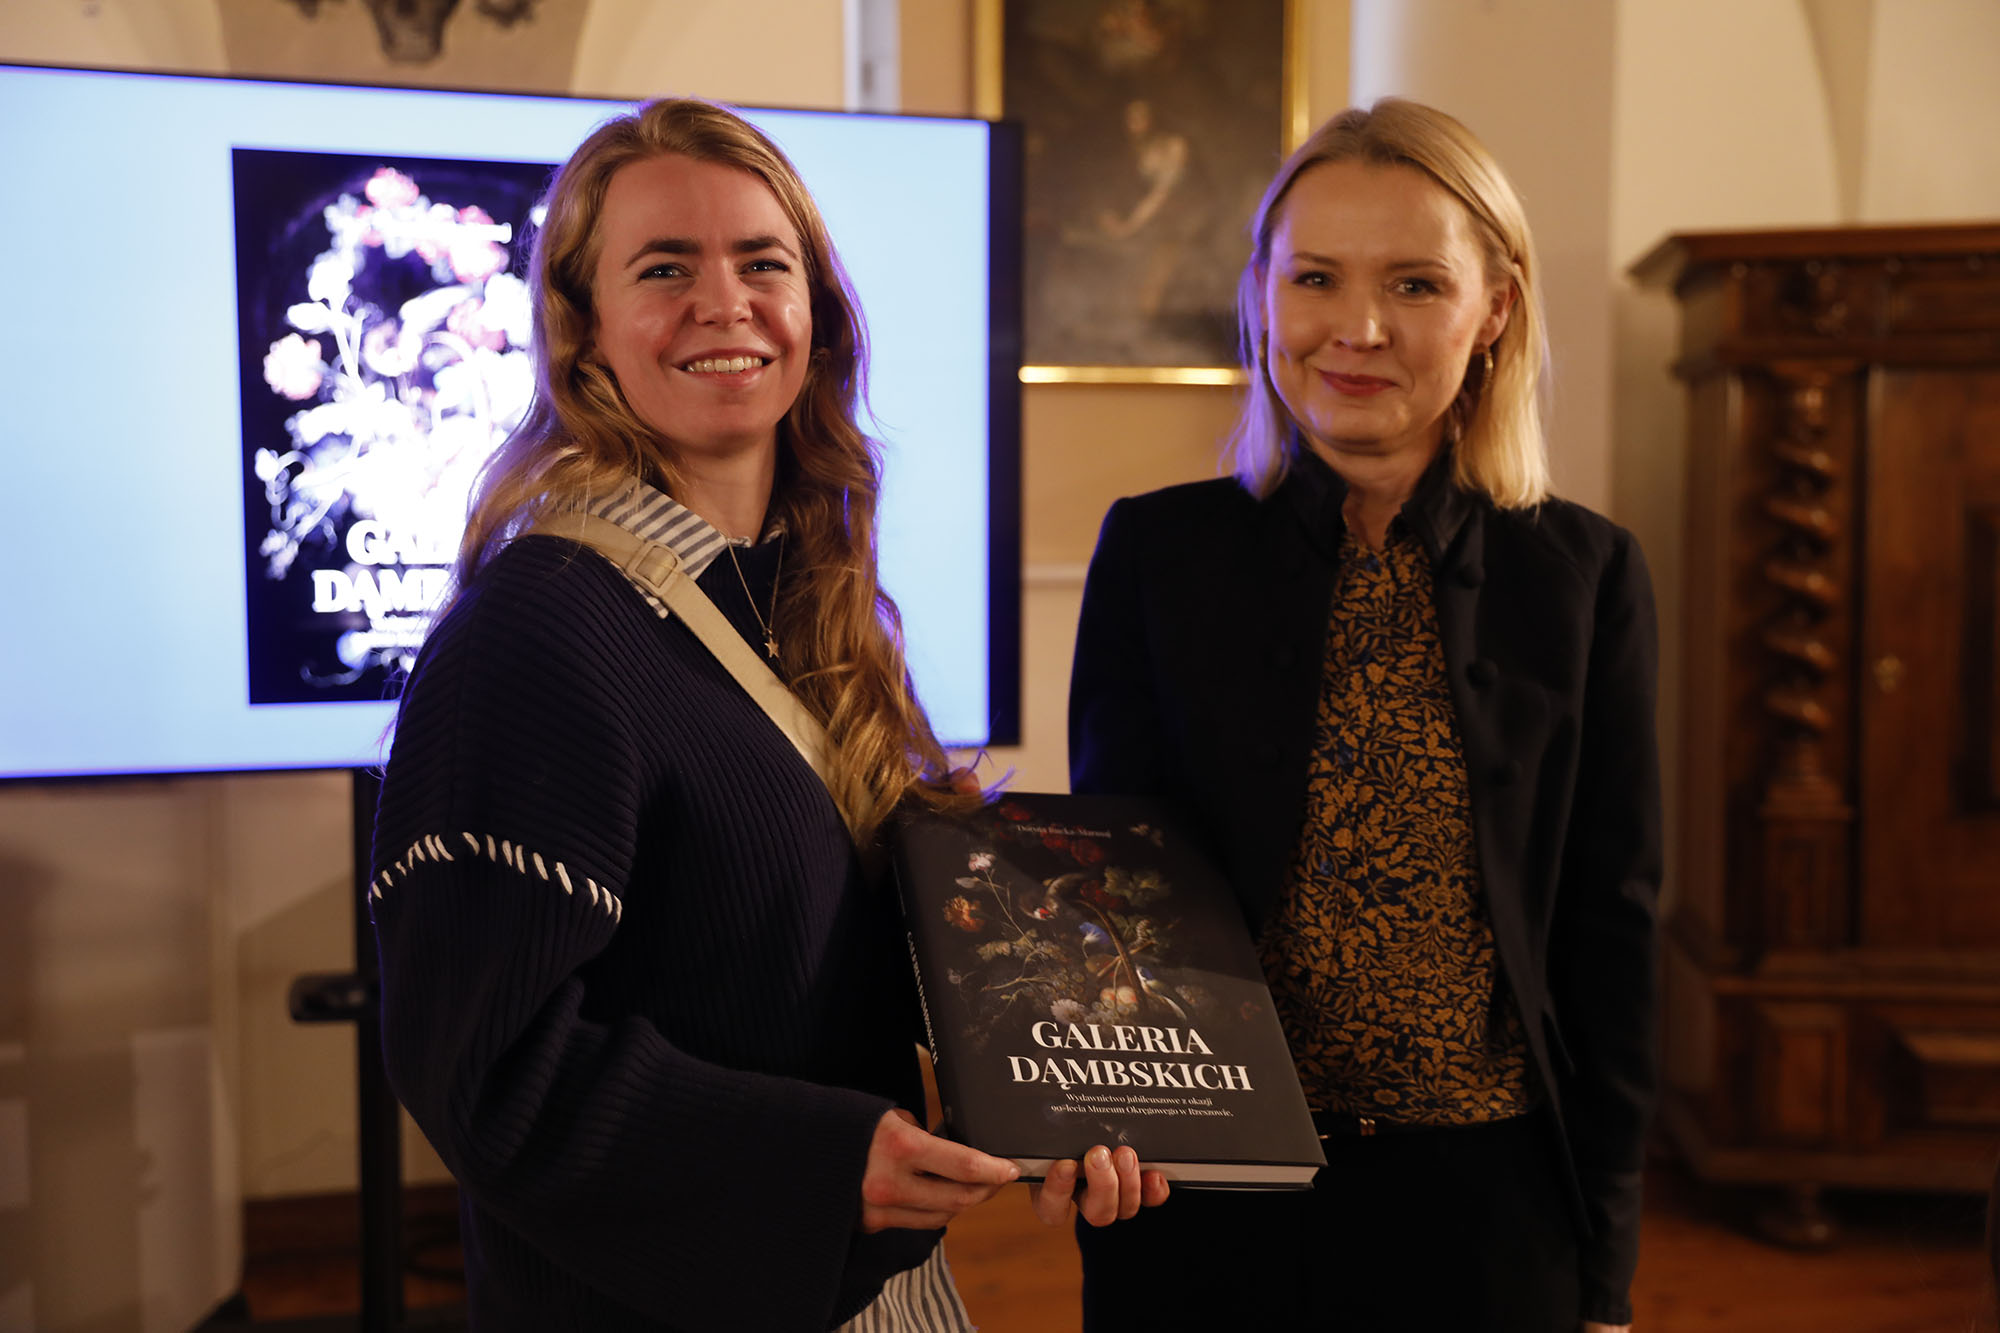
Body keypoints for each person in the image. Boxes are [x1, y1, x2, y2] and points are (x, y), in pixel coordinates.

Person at [366, 97, 1020, 1331]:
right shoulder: (534, 634)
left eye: (761, 263)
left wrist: (1070, 1097)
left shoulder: (804, 596)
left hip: (869, 1288)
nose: (724, 303)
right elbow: (486, 1067)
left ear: (815, 311)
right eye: (664, 268)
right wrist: (820, 1162)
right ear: (583, 330)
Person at [1058, 98, 1661, 1331]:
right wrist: (1085, 1126)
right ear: (1261, 295)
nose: (1357, 328)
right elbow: (1111, 897)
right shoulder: (1156, 552)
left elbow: (1612, 934)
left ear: (1494, 310)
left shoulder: (1584, 574)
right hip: (1202, 1192)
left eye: (1415, 284)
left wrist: (1605, 1268)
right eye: (1315, 277)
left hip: (1484, 1206)